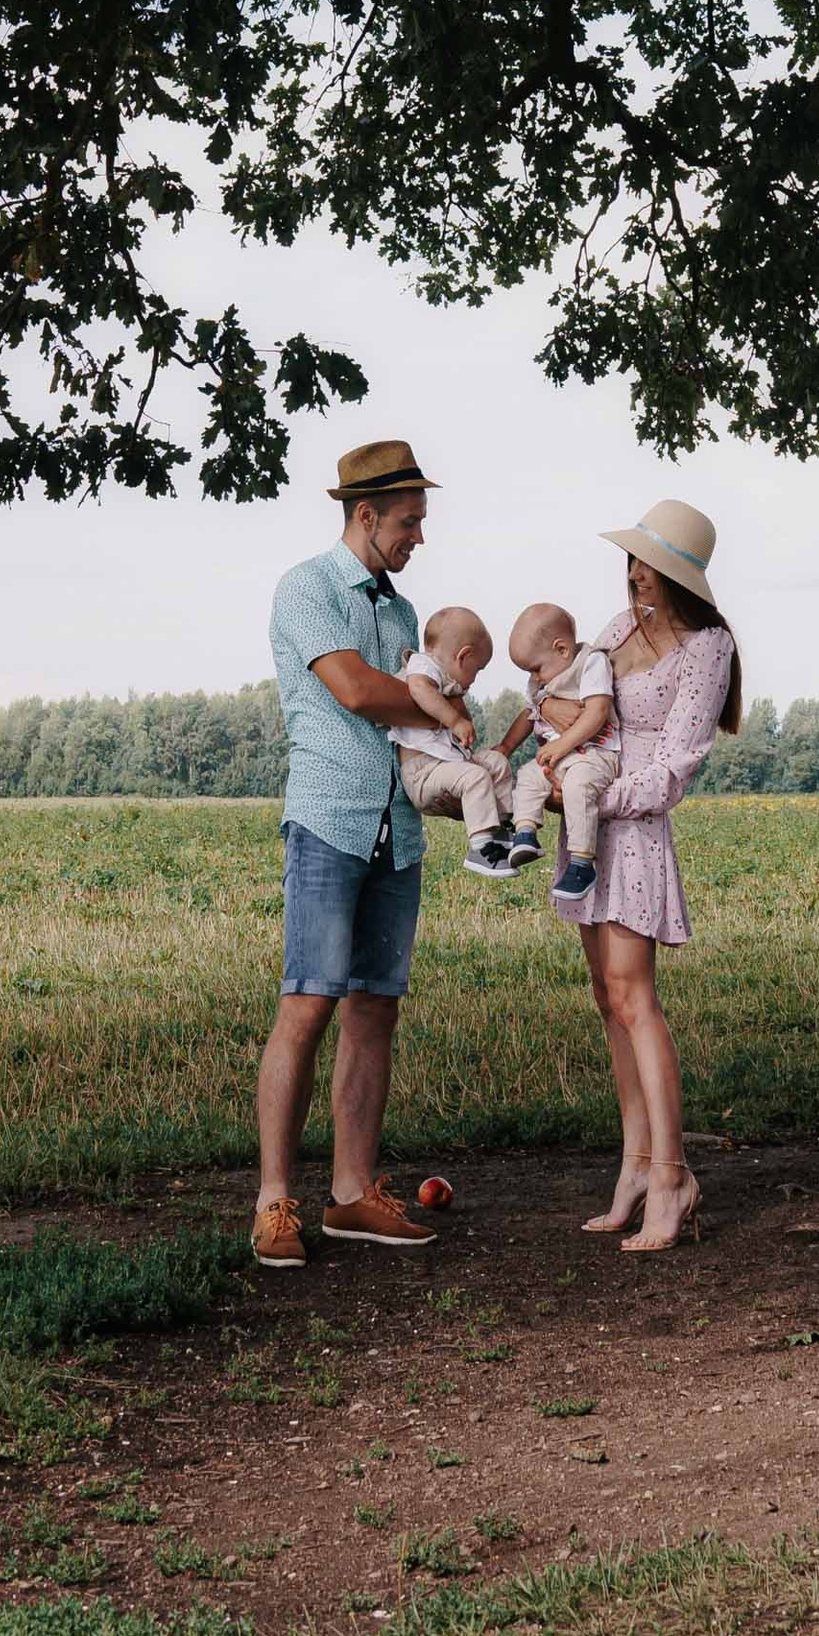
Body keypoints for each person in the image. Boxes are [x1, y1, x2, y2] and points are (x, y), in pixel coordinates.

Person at [252, 437, 448, 1268]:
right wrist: (443, 703)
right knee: (309, 1003)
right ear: (364, 516)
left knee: (376, 1009)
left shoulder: (402, 613)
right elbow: (363, 693)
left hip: (394, 830)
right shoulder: (307, 588)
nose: (419, 538)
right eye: (409, 522)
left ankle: (352, 1196)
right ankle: (273, 1203)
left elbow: (416, 708)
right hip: (329, 821)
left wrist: (441, 710)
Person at [555, 496, 743, 1256]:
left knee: (636, 998)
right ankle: (634, 1165)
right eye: (634, 560)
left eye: (654, 565)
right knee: (606, 997)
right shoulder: (617, 627)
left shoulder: (708, 646)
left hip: (629, 831)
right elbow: (572, 700)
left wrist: (600, 798)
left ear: (684, 577)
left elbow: (678, 763)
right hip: (586, 829)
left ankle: (672, 1173)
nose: (638, 575)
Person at [501, 600, 619, 893]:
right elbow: (528, 715)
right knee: (528, 777)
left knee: (578, 788)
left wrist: (562, 744)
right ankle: (525, 833)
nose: (535, 678)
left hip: (594, 754)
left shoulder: (591, 663)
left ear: (562, 649)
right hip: (560, 756)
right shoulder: (544, 677)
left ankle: (581, 863)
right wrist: (506, 747)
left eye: (536, 669)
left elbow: (598, 711)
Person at [394, 603, 518, 872]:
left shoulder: (446, 681)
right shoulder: (423, 665)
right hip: (423, 773)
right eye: (478, 669)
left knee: (496, 763)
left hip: (447, 767)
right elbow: (418, 688)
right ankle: (481, 849)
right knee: (474, 777)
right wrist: (454, 720)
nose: (475, 678)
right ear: (463, 656)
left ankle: (505, 830)